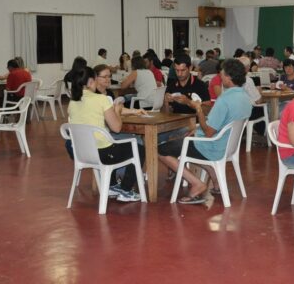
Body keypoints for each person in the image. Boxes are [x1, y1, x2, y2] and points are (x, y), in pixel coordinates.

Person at [158, 59, 252, 204]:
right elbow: (219, 126)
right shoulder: (245, 97)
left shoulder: (224, 100)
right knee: (186, 140)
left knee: (160, 150)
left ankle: (196, 183)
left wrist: (198, 108)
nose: (220, 77)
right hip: (227, 146)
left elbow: (208, 132)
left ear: (229, 77)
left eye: (222, 75)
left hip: (211, 147)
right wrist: (196, 130)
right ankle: (216, 179)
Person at [65, 66, 146, 202]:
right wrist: (118, 111)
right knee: (138, 149)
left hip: (81, 153)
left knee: (112, 143)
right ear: (91, 81)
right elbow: (117, 128)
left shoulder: (72, 102)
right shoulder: (101, 99)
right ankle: (126, 190)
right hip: (102, 153)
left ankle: (113, 185)